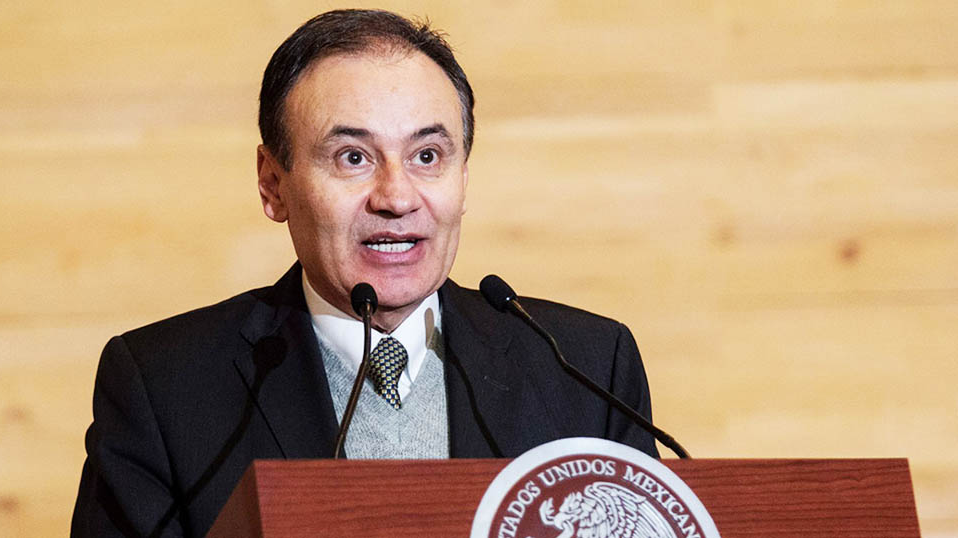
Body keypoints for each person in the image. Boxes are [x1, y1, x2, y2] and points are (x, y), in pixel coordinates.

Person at [71, 9, 658, 537]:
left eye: (427, 156)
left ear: (463, 177)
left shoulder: (586, 370)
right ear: (273, 184)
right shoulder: (164, 386)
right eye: (353, 157)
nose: (396, 197)